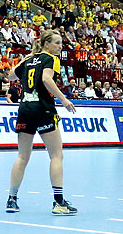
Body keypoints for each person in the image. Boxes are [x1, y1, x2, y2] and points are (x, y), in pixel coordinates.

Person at [6, 31, 78, 215]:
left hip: (25, 109)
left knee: (22, 157)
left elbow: (11, 76)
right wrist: (63, 99)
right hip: (43, 109)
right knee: (56, 155)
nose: (60, 47)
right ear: (47, 44)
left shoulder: (29, 59)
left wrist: (27, 60)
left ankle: (12, 200)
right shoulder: (51, 59)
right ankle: (59, 202)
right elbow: (46, 79)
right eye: (57, 43)